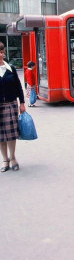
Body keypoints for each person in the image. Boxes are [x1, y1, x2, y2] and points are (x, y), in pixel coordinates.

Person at [0, 42, 26, 172]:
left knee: (11, 133)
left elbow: (18, 86)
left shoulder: (11, 69)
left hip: (10, 104)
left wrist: (22, 102)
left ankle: (13, 157)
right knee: (1, 135)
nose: (0, 54)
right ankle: (5, 160)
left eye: (1, 52)